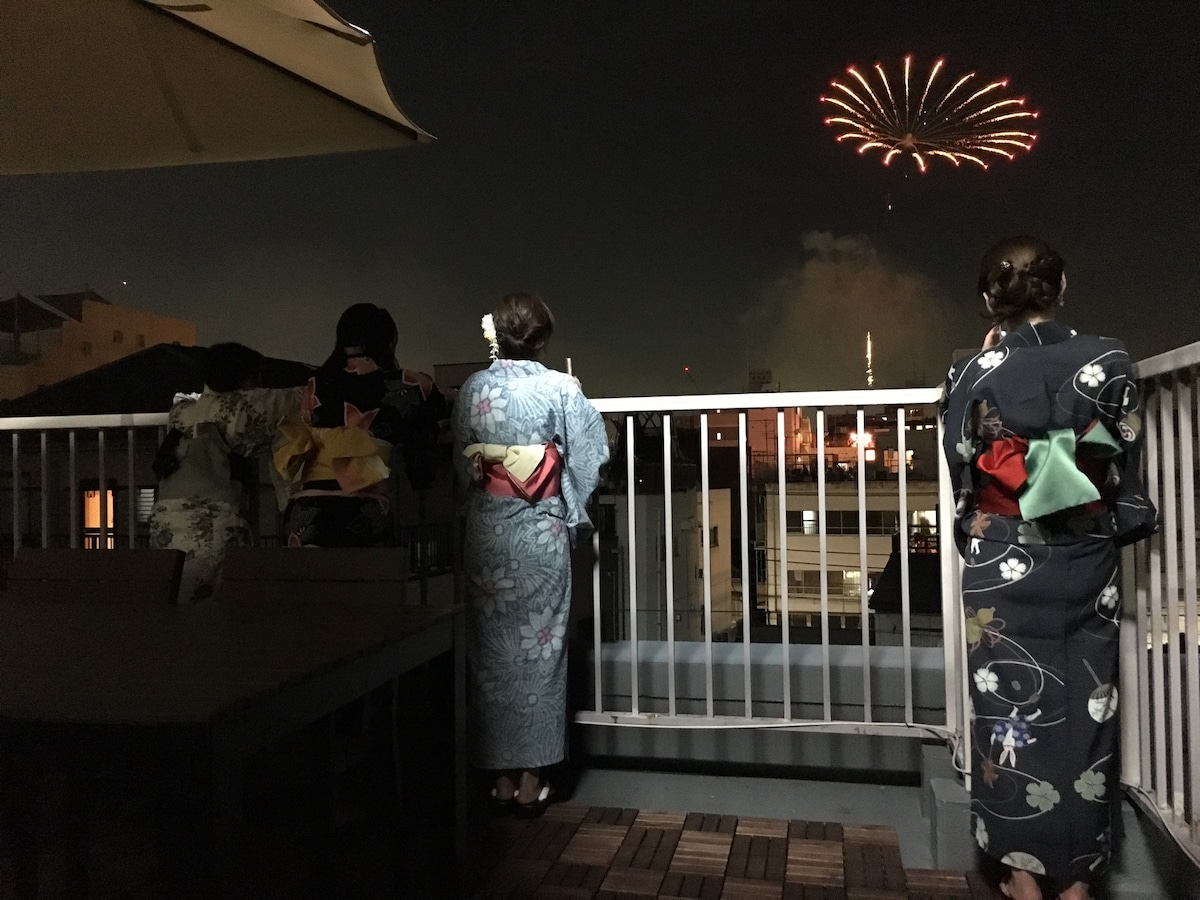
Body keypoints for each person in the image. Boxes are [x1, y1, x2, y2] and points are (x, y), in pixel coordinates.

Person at [941, 236, 1157, 900]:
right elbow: (1122, 459)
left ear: (989, 300)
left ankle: (1019, 874)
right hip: (1084, 556)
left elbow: (962, 465)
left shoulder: (970, 371)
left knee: (1005, 708)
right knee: (1089, 713)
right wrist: (1099, 505)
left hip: (1003, 554)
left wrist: (986, 362)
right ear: (1061, 288)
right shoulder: (1109, 358)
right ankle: (1078, 880)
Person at [451, 292, 609, 816]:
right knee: (542, 655)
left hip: (487, 534)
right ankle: (531, 780)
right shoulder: (559, 387)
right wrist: (567, 500)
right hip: (539, 534)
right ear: (542, 338)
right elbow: (590, 453)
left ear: (497, 335)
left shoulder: (474, 387)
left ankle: (497, 778)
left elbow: (460, 458)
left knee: (489, 655)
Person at [275, 302, 447, 547]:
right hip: (363, 509)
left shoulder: (315, 384)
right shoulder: (411, 386)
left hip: (303, 512)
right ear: (389, 342)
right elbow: (436, 418)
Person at [149, 342, 300, 603]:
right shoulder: (248, 407)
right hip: (215, 523)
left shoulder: (181, 411)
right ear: (248, 379)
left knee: (176, 603)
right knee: (215, 608)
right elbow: (302, 398)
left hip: (164, 521)